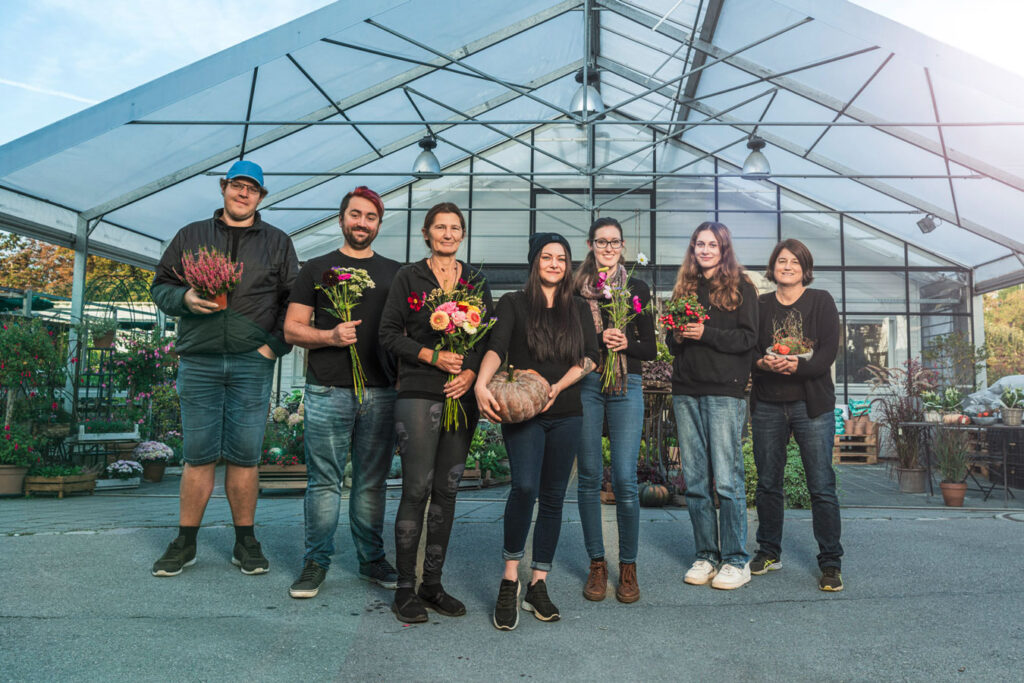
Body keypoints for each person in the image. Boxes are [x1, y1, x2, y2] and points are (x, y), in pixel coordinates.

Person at [150, 159, 298, 577]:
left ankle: (245, 541)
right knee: (197, 456)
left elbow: (294, 301)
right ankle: (186, 541)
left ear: (261, 197)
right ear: (224, 188)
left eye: (252, 188)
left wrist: (274, 347)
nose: (244, 193)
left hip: (253, 362)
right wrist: (185, 300)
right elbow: (160, 285)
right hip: (199, 359)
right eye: (237, 185)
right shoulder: (191, 236)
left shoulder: (277, 241)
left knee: (245, 457)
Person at [475, 233, 601, 631]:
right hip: (522, 411)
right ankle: (510, 578)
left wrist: (557, 388)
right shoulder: (513, 302)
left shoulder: (578, 308)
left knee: (552, 497)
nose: (554, 263)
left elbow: (591, 357)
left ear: (568, 265)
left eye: (561, 258)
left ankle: (538, 584)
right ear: (534, 262)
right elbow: (496, 347)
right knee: (525, 486)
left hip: (566, 411)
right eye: (546, 257)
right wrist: (481, 384)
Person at [283, 186, 402, 599]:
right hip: (328, 389)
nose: (362, 223)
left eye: (370, 217)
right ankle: (316, 562)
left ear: (378, 224)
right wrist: (330, 336)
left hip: (382, 392)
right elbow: (292, 328)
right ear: (341, 219)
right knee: (324, 482)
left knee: (372, 482)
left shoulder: (395, 273)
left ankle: (371, 558)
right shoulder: (316, 269)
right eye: (355, 215)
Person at [378, 202, 493, 624]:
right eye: (440, 227)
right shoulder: (409, 277)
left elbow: (487, 338)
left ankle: (432, 584)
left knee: (447, 490)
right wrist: (432, 354)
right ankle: (405, 588)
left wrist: (471, 372)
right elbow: (388, 333)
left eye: (455, 228)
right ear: (426, 233)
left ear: (462, 234)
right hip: (419, 389)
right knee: (416, 489)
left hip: (461, 393)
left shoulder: (476, 281)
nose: (448, 234)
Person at [667, 221, 758, 590]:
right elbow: (673, 347)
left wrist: (707, 333)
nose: (705, 250)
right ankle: (706, 555)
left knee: (727, 478)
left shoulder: (742, 288)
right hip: (686, 389)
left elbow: (749, 339)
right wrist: (675, 334)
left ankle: (737, 558)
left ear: (724, 249)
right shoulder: (684, 288)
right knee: (697, 481)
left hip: (724, 390)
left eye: (712, 245)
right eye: (699, 244)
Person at [750, 239, 844, 591]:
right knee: (768, 483)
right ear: (772, 267)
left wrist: (795, 367)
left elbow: (827, 354)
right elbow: (748, 349)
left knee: (821, 485)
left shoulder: (820, 301)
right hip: (768, 405)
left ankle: (831, 562)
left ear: (806, 268)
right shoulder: (759, 305)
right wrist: (762, 362)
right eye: (781, 261)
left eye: (794, 262)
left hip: (812, 406)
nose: (786, 266)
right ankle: (769, 550)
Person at [573, 218, 655, 603]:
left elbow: (650, 349)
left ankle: (628, 566)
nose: (608, 248)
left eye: (615, 242)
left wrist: (624, 344)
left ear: (623, 246)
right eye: (601, 241)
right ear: (590, 244)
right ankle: (596, 564)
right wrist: (596, 341)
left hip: (627, 385)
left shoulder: (637, 287)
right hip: (587, 383)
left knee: (624, 478)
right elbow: (567, 343)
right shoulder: (575, 289)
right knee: (588, 475)